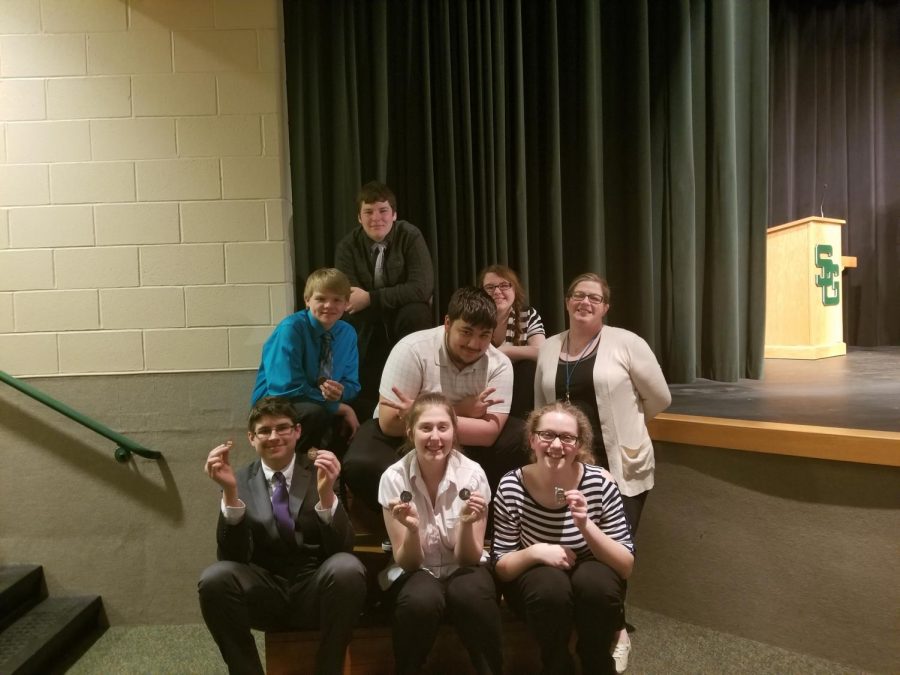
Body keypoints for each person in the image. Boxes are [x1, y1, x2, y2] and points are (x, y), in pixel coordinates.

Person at [534, 273, 671, 672]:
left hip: (620, 467)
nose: (585, 302)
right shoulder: (548, 348)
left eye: (594, 297)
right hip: (568, 467)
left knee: (613, 555)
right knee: (575, 549)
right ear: (567, 301)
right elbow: (542, 406)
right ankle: (587, 625)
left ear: (606, 306)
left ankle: (617, 632)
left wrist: (631, 423)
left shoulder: (627, 343)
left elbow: (659, 396)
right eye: (578, 295)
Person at [198, 396, 367, 675]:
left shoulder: (320, 472)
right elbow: (232, 557)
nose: (274, 436)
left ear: (297, 432)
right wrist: (230, 493)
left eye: (282, 428)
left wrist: (326, 494)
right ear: (252, 438)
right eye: (264, 431)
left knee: (347, 568)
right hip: (264, 590)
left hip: (314, 586)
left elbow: (343, 547)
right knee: (214, 578)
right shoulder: (237, 479)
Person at [342, 287, 526, 517]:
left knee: (521, 437)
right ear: (448, 323)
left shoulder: (499, 363)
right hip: (405, 438)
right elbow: (390, 422)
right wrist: (461, 410)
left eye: (484, 335)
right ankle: (405, 521)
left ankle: (479, 518)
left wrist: (418, 413)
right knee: (361, 462)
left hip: (459, 442)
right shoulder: (412, 349)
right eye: (466, 332)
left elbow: (489, 434)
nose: (474, 344)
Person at [493, 402, 634, 675]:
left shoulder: (600, 483)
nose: (556, 445)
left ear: (578, 445)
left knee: (596, 584)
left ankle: (594, 658)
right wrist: (537, 552)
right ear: (532, 439)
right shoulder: (511, 485)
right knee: (550, 588)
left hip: (590, 571)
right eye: (547, 435)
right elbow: (502, 565)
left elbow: (625, 565)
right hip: (538, 579)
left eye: (567, 437)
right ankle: (557, 663)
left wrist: (585, 525)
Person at [379, 393, 502, 674]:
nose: (435, 437)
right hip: (416, 569)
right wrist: (411, 530)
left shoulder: (473, 474)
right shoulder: (393, 478)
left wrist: (468, 523)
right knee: (420, 600)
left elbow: (469, 558)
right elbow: (408, 563)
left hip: (463, 565)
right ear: (410, 431)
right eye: (426, 428)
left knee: (472, 594)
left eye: (443, 427)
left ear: (454, 431)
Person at [335, 181, 434, 417]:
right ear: (359, 217)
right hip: (368, 317)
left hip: (403, 312)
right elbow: (349, 296)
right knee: (348, 320)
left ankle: (417, 396)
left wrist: (371, 297)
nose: (376, 218)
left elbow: (421, 288)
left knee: (416, 311)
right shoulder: (347, 246)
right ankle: (361, 408)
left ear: (394, 214)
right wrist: (368, 301)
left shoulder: (410, 236)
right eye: (368, 212)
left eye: (383, 211)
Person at [251, 268, 361, 454]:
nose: (329, 305)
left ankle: (336, 473)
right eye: (321, 299)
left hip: (316, 401)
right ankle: (297, 472)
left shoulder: (347, 333)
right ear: (307, 300)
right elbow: (284, 388)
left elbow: (352, 384)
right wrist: (336, 406)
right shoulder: (291, 328)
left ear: (346, 304)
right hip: (276, 404)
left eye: (337, 300)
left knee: (366, 409)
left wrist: (340, 394)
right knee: (315, 413)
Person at [477, 264, 545, 418]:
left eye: (504, 285)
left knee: (528, 367)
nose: (497, 291)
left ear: (515, 289)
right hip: (483, 383)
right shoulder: (476, 319)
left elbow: (542, 352)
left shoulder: (527, 315)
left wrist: (505, 351)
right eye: (490, 287)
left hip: (519, 386)